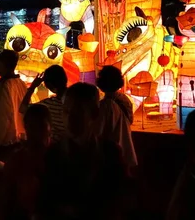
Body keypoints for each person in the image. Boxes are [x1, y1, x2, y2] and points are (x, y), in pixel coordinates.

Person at [36, 83, 129, 220]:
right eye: (66, 111)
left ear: (94, 113)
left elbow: (119, 201)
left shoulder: (110, 154)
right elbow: (44, 204)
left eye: (78, 112)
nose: (70, 119)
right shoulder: (53, 155)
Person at [2, 104, 51, 220]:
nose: (36, 133)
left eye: (40, 127)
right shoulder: (17, 161)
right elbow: (6, 202)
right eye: (32, 127)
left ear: (50, 128)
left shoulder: (58, 157)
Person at [0, 50, 27, 154]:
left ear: (3, 64)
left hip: (5, 143)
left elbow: (3, 117)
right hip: (19, 138)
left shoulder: (4, 85)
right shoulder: (21, 83)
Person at [96, 66, 137, 170]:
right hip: (126, 148)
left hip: (111, 154)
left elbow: (99, 131)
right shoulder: (125, 99)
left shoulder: (105, 105)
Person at [19, 65, 68, 142]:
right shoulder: (77, 100)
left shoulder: (49, 104)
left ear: (50, 86)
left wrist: (33, 86)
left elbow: (22, 108)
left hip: (55, 147)